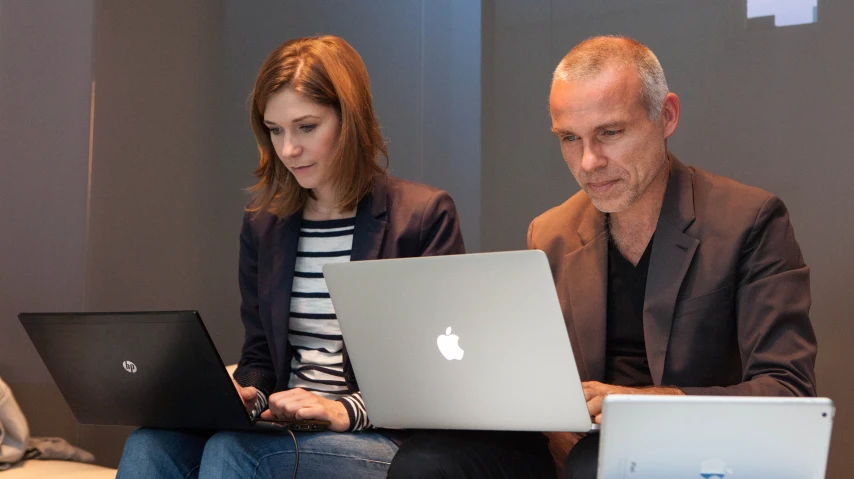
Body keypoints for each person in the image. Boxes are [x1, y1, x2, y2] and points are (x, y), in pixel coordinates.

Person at [116, 35, 465, 478]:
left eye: (306, 127)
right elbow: (261, 355)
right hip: (288, 427)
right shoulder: (264, 224)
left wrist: (341, 410)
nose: (287, 150)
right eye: (275, 131)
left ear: (349, 119)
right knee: (150, 444)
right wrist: (249, 395)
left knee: (237, 454)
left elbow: (437, 372)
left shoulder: (421, 215)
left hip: (378, 435)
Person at [527, 36, 818, 479]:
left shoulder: (750, 220)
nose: (588, 162)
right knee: (432, 458)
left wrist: (644, 405)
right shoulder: (549, 233)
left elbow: (789, 392)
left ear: (666, 116)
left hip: (702, 451)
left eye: (610, 133)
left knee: (593, 462)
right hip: (579, 448)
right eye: (569, 138)